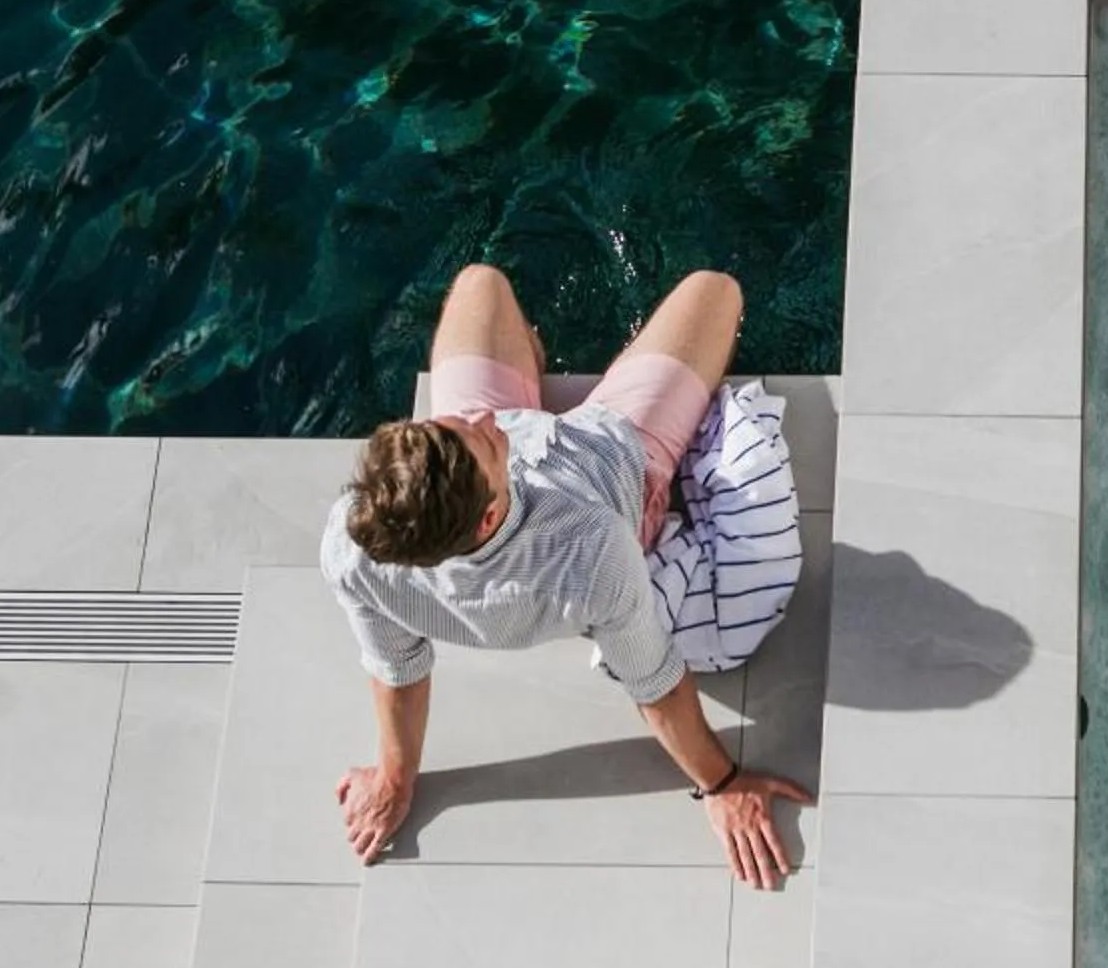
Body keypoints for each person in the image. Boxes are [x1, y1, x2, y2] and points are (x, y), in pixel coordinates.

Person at [321, 263, 810, 888]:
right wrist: (721, 782)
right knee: (715, 291)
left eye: (449, 424)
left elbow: (397, 667)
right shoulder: (590, 547)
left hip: (501, 476)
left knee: (480, 282)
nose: (482, 420)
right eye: (480, 438)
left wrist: (394, 777)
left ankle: (531, 376)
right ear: (489, 516)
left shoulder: (357, 540)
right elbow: (654, 682)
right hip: (620, 449)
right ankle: (606, 378)